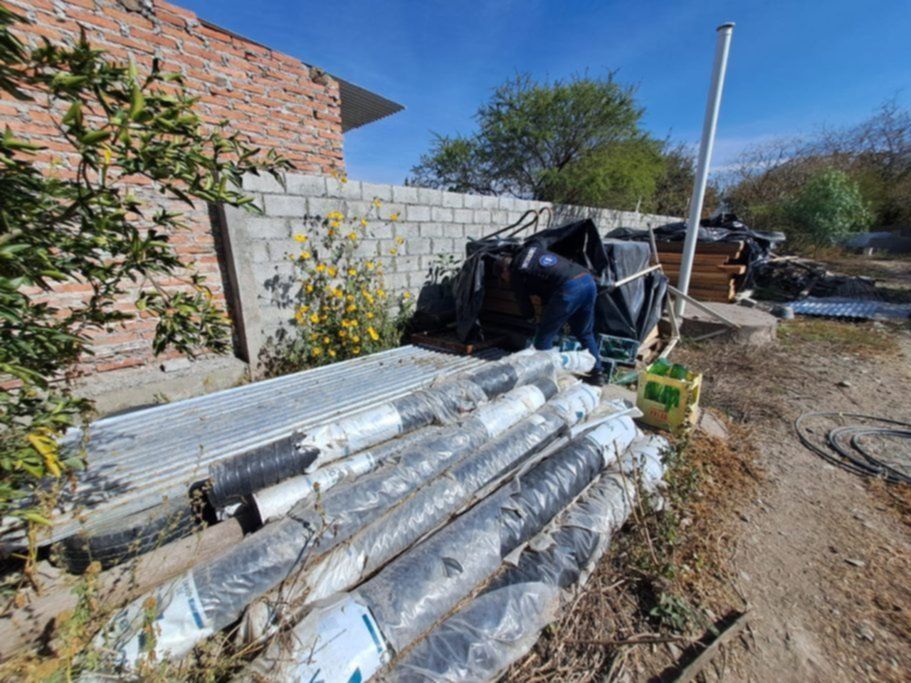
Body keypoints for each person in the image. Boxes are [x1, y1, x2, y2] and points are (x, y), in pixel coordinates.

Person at [500, 241, 604, 386]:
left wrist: (530, 318)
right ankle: (597, 375)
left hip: (569, 288)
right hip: (587, 280)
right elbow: (547, 283)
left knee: (543, 338)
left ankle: (546, 380)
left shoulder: (516, 271)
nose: (505, 281)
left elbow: (523, 300)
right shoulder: (532, 249)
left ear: (505, 270)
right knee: (585, 332)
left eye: (503, 278)